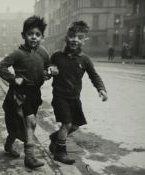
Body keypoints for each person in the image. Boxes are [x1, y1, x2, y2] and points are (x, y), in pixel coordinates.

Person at [48, 21, 108, 165]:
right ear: (66, 37)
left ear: (84, 40)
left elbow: (94, 75)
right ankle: (60, 153)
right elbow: (48, 67)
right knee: (67, 124)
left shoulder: (84, 59)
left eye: (80, 37)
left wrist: (101, 89)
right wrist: (49, 70)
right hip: (60, 96)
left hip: (74, 98)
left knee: (75, 125)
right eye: (72, 36)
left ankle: (55, 138)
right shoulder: (57, 56)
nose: (75, 40)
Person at [0, 16, 49, 169]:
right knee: (30, 123)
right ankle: (29, 157)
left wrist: (48, 72)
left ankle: (8, 144)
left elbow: (48, 65)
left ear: (41, 37)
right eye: (30, 33)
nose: (34, 37)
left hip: (35, 94)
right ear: (23, 35)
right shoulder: (18, 53)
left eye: (37, 34)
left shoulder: (43, 52)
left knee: (20, 127)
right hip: (20, 93)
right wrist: (13, 79)